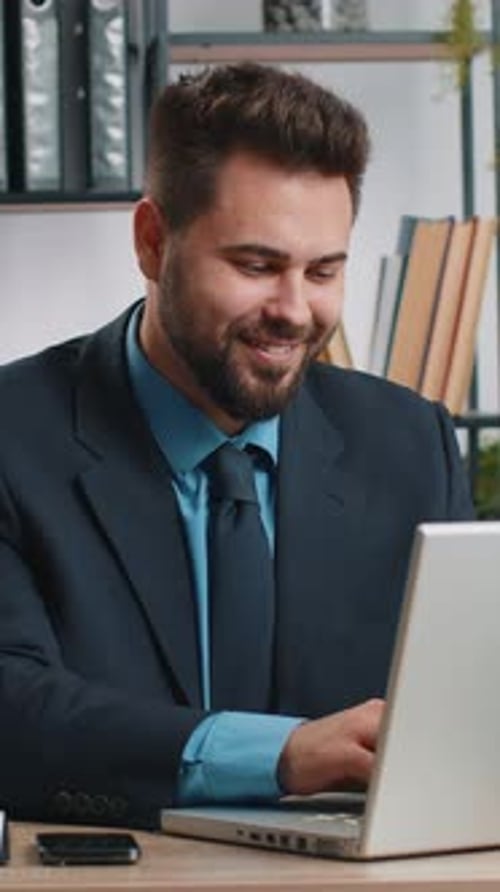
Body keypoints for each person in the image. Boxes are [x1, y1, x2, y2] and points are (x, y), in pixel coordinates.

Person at [0, 62, 473, 830]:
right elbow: (12, 709)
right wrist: (278, 754)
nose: (294, 310)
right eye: (256, 266)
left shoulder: (410, 444)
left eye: (324, 270)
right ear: (154, 242)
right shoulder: (13, 438)